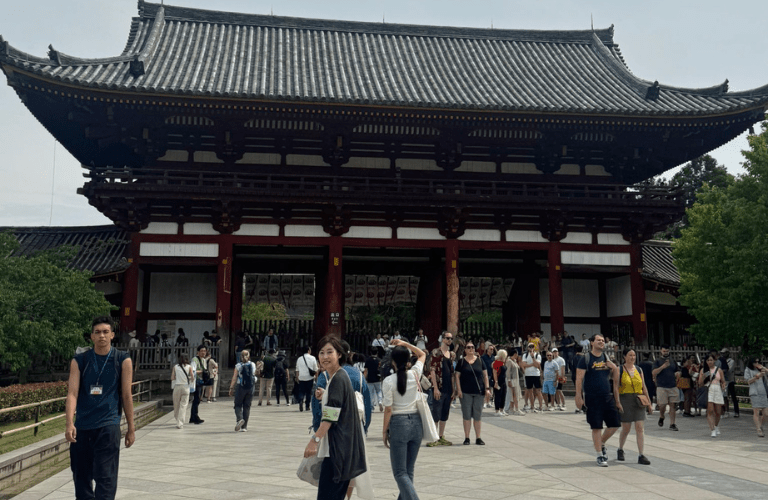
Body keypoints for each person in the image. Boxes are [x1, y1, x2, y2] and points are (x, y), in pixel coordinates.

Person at [65, 316, 135, 500]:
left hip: (108, 425)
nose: (102, 336)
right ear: (91, 336)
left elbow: (127, 395)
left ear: (112, 335)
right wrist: (69, 423)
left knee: (106, 477)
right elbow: (72, 393)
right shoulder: (80, 360)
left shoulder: (122, 360)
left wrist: (131, 428)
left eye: (106, 332)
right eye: (97, 332)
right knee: (81, 477)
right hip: (82, 426)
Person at [304, 336, 367, 500]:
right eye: (322, 352)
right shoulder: (337, 376)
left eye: (329, 352)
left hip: (338, 451)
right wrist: (325, 396)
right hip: (340, 449)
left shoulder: (338, 378)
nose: (324, 357)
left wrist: (315, 440)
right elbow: (339, 404)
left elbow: (331, 415)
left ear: (339, 354)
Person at [382, 340, 427, 500]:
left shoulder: (388, 381)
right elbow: (422, 354)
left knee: (400, 472)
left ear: (392, 361)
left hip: (399, 424)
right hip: (416, 422)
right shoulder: (415, 373)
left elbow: (388, 409)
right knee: (408, 471)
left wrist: (384, 431)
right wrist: (404, 343)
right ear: (408, 360)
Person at [574, 334, 621, 467]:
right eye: (598, 340)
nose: (602, 342)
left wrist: (615, 368)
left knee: (615, 424)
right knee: (596, 426)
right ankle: (600, 454)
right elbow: (579, 379)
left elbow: (615, 377)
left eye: (602, 341)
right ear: (591, 343)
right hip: (592, 398)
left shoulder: (606, 358)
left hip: (607, 396)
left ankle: (601, 442)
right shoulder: (585, 359)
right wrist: (578, 396)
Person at [616, 348, 652, 465]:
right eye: (630, 355)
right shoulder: (619, 369)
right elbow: (615, 387)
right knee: (626, 428)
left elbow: (643, 385)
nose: (632, 357)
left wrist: (649, 402)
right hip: (625, 399)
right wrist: (618, 402)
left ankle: (641, 454)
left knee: (639, 427)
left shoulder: (638, 369)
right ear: (624, 357)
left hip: (638, 399)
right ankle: (620, 449)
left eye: (634, 355)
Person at [454, 341, 490, 445]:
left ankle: (478, 437)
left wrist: (487, 388)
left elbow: (485, 375)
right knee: (466, 415)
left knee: (478, 415)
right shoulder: (461, 362)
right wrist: (459, 390)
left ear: (474, 349)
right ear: (465, 350)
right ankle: (467, 437)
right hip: (465, 392)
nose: (470, 349)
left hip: (479, 392)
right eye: (468, 347)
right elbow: (457, 376)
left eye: (472, 347)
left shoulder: (480, 360)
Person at [426, 330, 455, 447]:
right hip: (439, 386)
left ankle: (441, 436)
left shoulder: (452, 355)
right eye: (447, 338)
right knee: (436, 413)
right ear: (442, 339)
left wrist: (454, 389)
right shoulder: (436, 352)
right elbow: (432, 371)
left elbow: (452, 373)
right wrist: (435, 388)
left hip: (449, 387)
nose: (449, 340)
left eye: (451, 338)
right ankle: (434, 437)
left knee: (444, 413)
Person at [652, 345, 680, 431]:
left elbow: (677, 370)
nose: (666, 353)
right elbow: (654, 372)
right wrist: (663, 367)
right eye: (664, 351)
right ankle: (662, 415)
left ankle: (672, 423)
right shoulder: (657, 361)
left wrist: (678, 374)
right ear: (661, 351)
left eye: (667, 351)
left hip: (672, 385)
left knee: (673, 405)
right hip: (661, 386)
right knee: (662, 405)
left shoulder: (673, 361)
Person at [228, 349, 257, 432]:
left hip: (241, 387)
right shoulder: (252, 364)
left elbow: (234, 378)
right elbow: (254, 374)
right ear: (249, 356)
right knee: (247, 406)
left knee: (237, 404)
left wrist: (231, 388)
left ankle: (239, 419)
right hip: (251, 387)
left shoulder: (238, 365)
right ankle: (244, 427)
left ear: (241, 356)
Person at [699, 354, 726, 438]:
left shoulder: (719, 370)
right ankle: (712, 429)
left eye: (711, 360)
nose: (710, 362)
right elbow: (700, 384)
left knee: (718, 411)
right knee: (710, 411)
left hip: (717, 389)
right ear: (705, 362)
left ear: (714, 361)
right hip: (708, 389)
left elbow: (723, 381)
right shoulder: (703, 370)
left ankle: (716, 426)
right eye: (708, 360)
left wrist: (723, 385)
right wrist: (703, 377)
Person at [744, 358, 768, 437]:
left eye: (758, 361)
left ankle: (760, 425)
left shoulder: (760, 368)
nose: (756, 363)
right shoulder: (748, 370)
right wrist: (757, 377)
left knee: (766, 414)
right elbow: (748, 381)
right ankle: (758, 429)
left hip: (763, 392)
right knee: (756, 411)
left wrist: (763, 369)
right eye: (755, 362)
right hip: (754, 392)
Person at [171, 353, 194, 429]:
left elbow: (172, 377)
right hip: (185, 387)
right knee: (183, 405)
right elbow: (192, 377)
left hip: (177, 386)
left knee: (176, 404)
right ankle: (180, 422)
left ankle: (177, 419)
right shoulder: (189, 367)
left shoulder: (175, 367)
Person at [521, 343, 543, 412]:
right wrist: (532, 364)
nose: (531, 348)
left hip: (536, 374)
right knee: (530, 391)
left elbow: (537, 365)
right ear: (527, 348)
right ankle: (532, 406)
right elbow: (523, 364)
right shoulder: (525, 355)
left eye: (532, 347)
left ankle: (540, 406)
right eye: (529, 347)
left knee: (538, 391)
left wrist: (533, 357)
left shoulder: (537, 355)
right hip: (528, 374)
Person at [296, 345, 319, 412]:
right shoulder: (313, 358)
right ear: (309, 350)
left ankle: (300, 400)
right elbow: (316, 369)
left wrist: (297, 377)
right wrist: (316, 378)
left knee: (301, 391)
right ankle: (307, 406)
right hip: (310, 377)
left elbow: (297, 369)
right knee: (308, 392)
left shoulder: (299, 359)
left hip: (301, 377)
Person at [190, 345, 209, 424]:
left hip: (201, 381)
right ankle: (195, 416)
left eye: (204, 351)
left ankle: (193, 417)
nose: (203, 352)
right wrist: (201, 372)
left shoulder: (204, 360)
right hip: (196, 381)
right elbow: (192, 370)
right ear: (198, 352)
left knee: (198, 399)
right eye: (202, 351)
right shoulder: (195, 359)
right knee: (197, 399)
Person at [720, 349, 739, 418]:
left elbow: (729, 370)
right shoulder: (721, 360)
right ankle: (725, 411)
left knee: (733, 395)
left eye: (724, 353)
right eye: (722, 353)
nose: (723, 355)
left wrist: (723, 371)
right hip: (723, 380)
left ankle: (736, 411)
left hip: (730, 380)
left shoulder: (731, 361)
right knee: (724, 396)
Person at [364, 347, 384, 412]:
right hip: (378, 378)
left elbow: (366, 370)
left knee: (371, 393)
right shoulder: (379, 360)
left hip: (370, 378)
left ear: (370, 352)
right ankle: (380, 401)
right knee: (379, 391)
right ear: (377, 352)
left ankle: (372, 406)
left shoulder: (368, 360)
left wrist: (364, 378)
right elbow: (382, 370)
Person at [504, 349, 523, 415]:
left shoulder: (514, 361)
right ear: (515, 354)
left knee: (515, 395)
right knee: (514, 395)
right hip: (512, 380)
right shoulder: (509, 361)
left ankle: (512, 408)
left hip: (516, 379)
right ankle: (516, 409)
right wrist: (509, 380)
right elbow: (508, 371)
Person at [492, 349, 508, 416]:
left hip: (503, 380)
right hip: (498, 380)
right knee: (498, 395)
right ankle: (497, 410)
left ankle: (501, 409)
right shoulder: (497, 362)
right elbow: (495, 372)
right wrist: (496, 382)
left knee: (503, 395)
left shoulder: (503, 362)